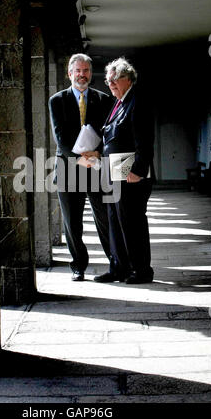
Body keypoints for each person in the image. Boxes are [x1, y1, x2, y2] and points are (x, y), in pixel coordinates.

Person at [48, 53, 113, 281]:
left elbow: (108, 133)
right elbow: (60, 136)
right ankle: (78, 266)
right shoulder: (57, 100)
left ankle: (115, 262)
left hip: (96, 166)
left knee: (105, 218)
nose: (82, 75)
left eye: (86, 71)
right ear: (70, 73)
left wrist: (97, 154)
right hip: (68, 168)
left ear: (90, 73)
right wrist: (79, 159)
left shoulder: (104, 100)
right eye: (78, 71)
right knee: (72, 223)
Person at [93, 57, 155, 284]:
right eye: (108, 80)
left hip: (129, 170)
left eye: (114, 79)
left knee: (132, 221)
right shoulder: (119, 103)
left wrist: (138, 169)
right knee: (114, 221)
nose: (110, 84)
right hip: (113, 169)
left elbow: (145, 140)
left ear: (128, 79)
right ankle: (118, 267)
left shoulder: (137, 101)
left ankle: (141, 270)